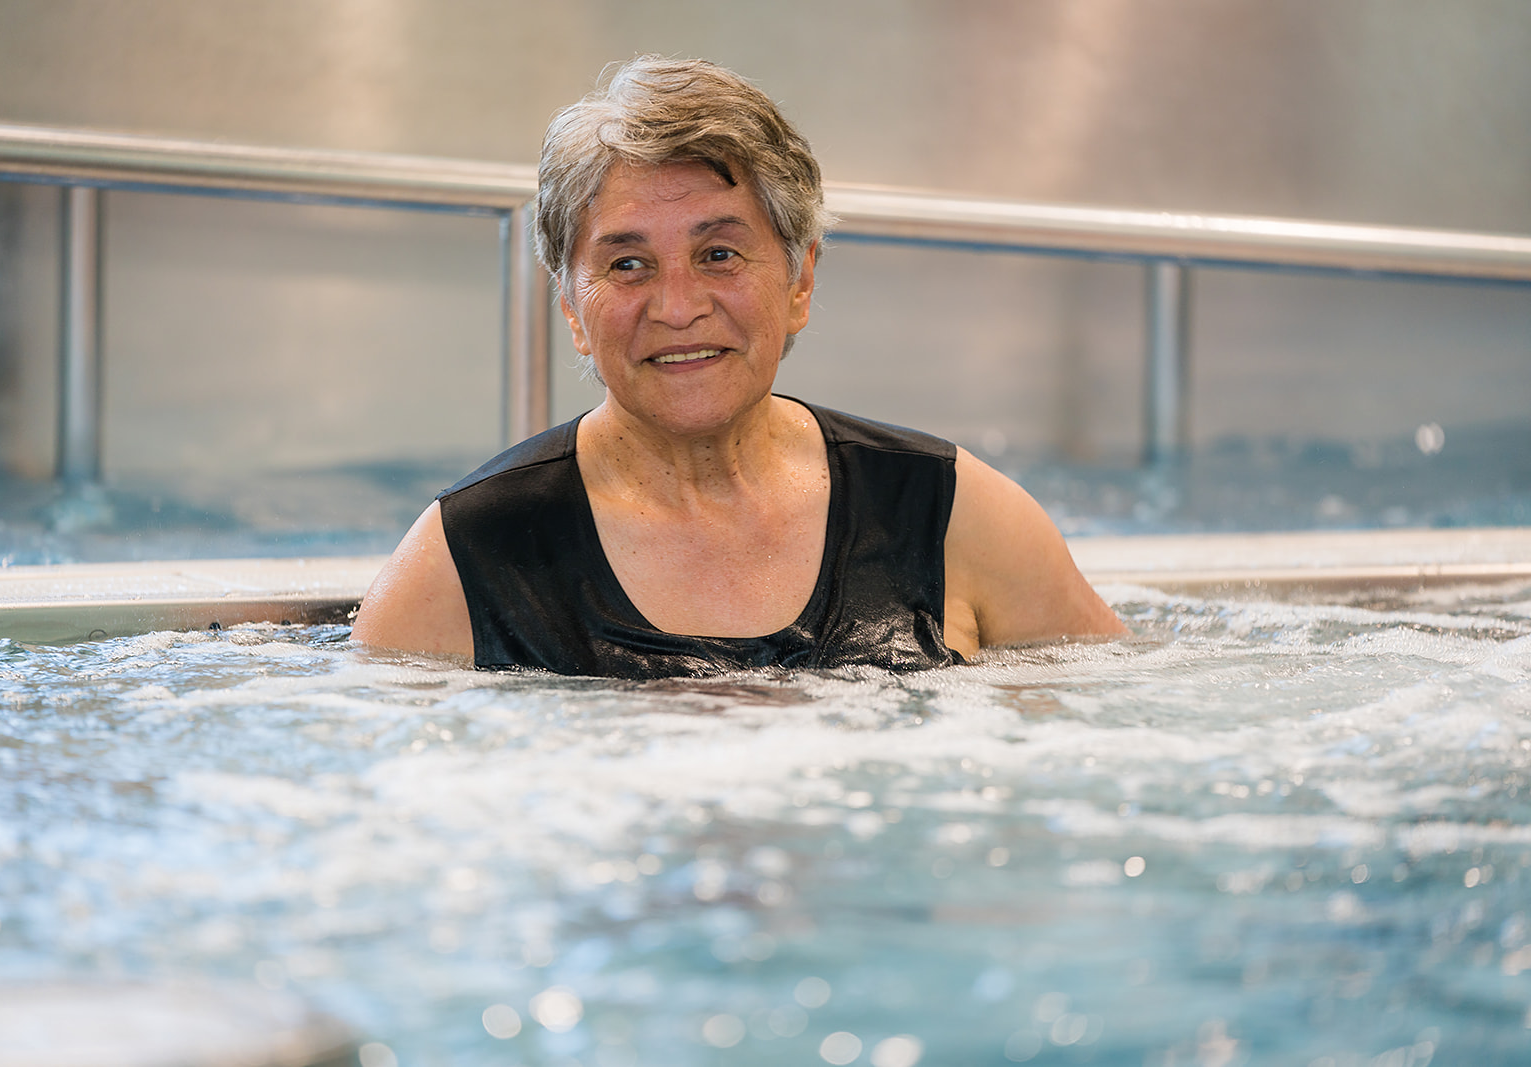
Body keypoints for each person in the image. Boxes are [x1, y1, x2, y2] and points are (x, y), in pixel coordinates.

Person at [352, 55, 1124, 676]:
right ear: (569, 307)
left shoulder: (953, 515)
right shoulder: (471, 557)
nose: (677, 305)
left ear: (800, 280)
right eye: (627, 264)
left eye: (719, 254)